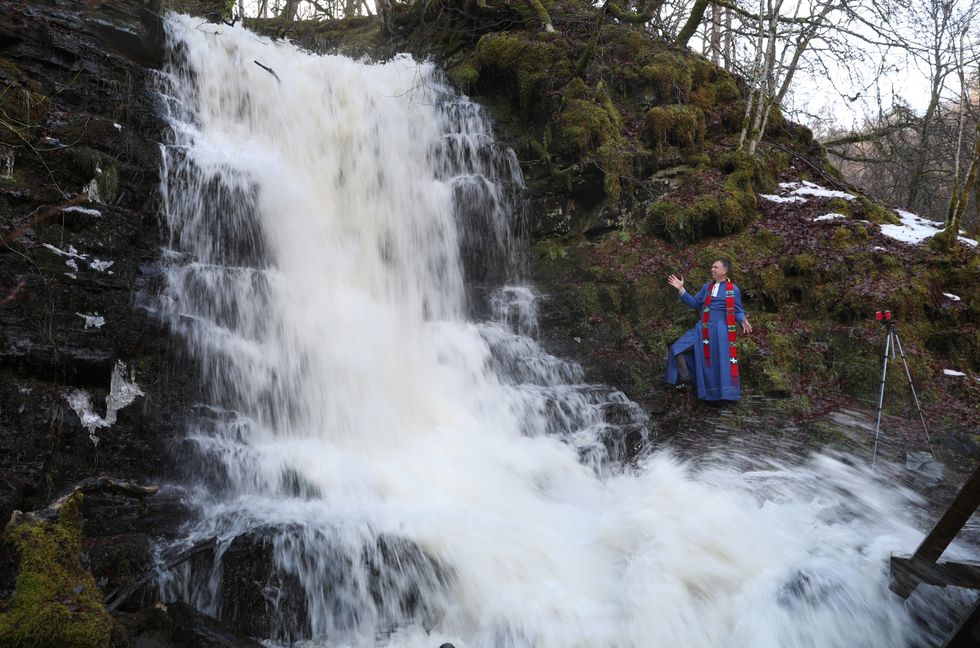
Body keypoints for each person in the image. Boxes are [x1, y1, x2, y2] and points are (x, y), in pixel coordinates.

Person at [665, 258, 752, 401]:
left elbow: (737, 310)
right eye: (712, 267)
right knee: (676, 349)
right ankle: (687, 380)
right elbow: (694, 303)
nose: (712, 269)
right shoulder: (706, 287)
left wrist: (742, 319)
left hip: (720, 331)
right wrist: (681, 289)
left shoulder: (733, 289)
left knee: (719, 363)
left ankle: (722, 396)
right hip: (702, 328)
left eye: (715, 267)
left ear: (724, 271)